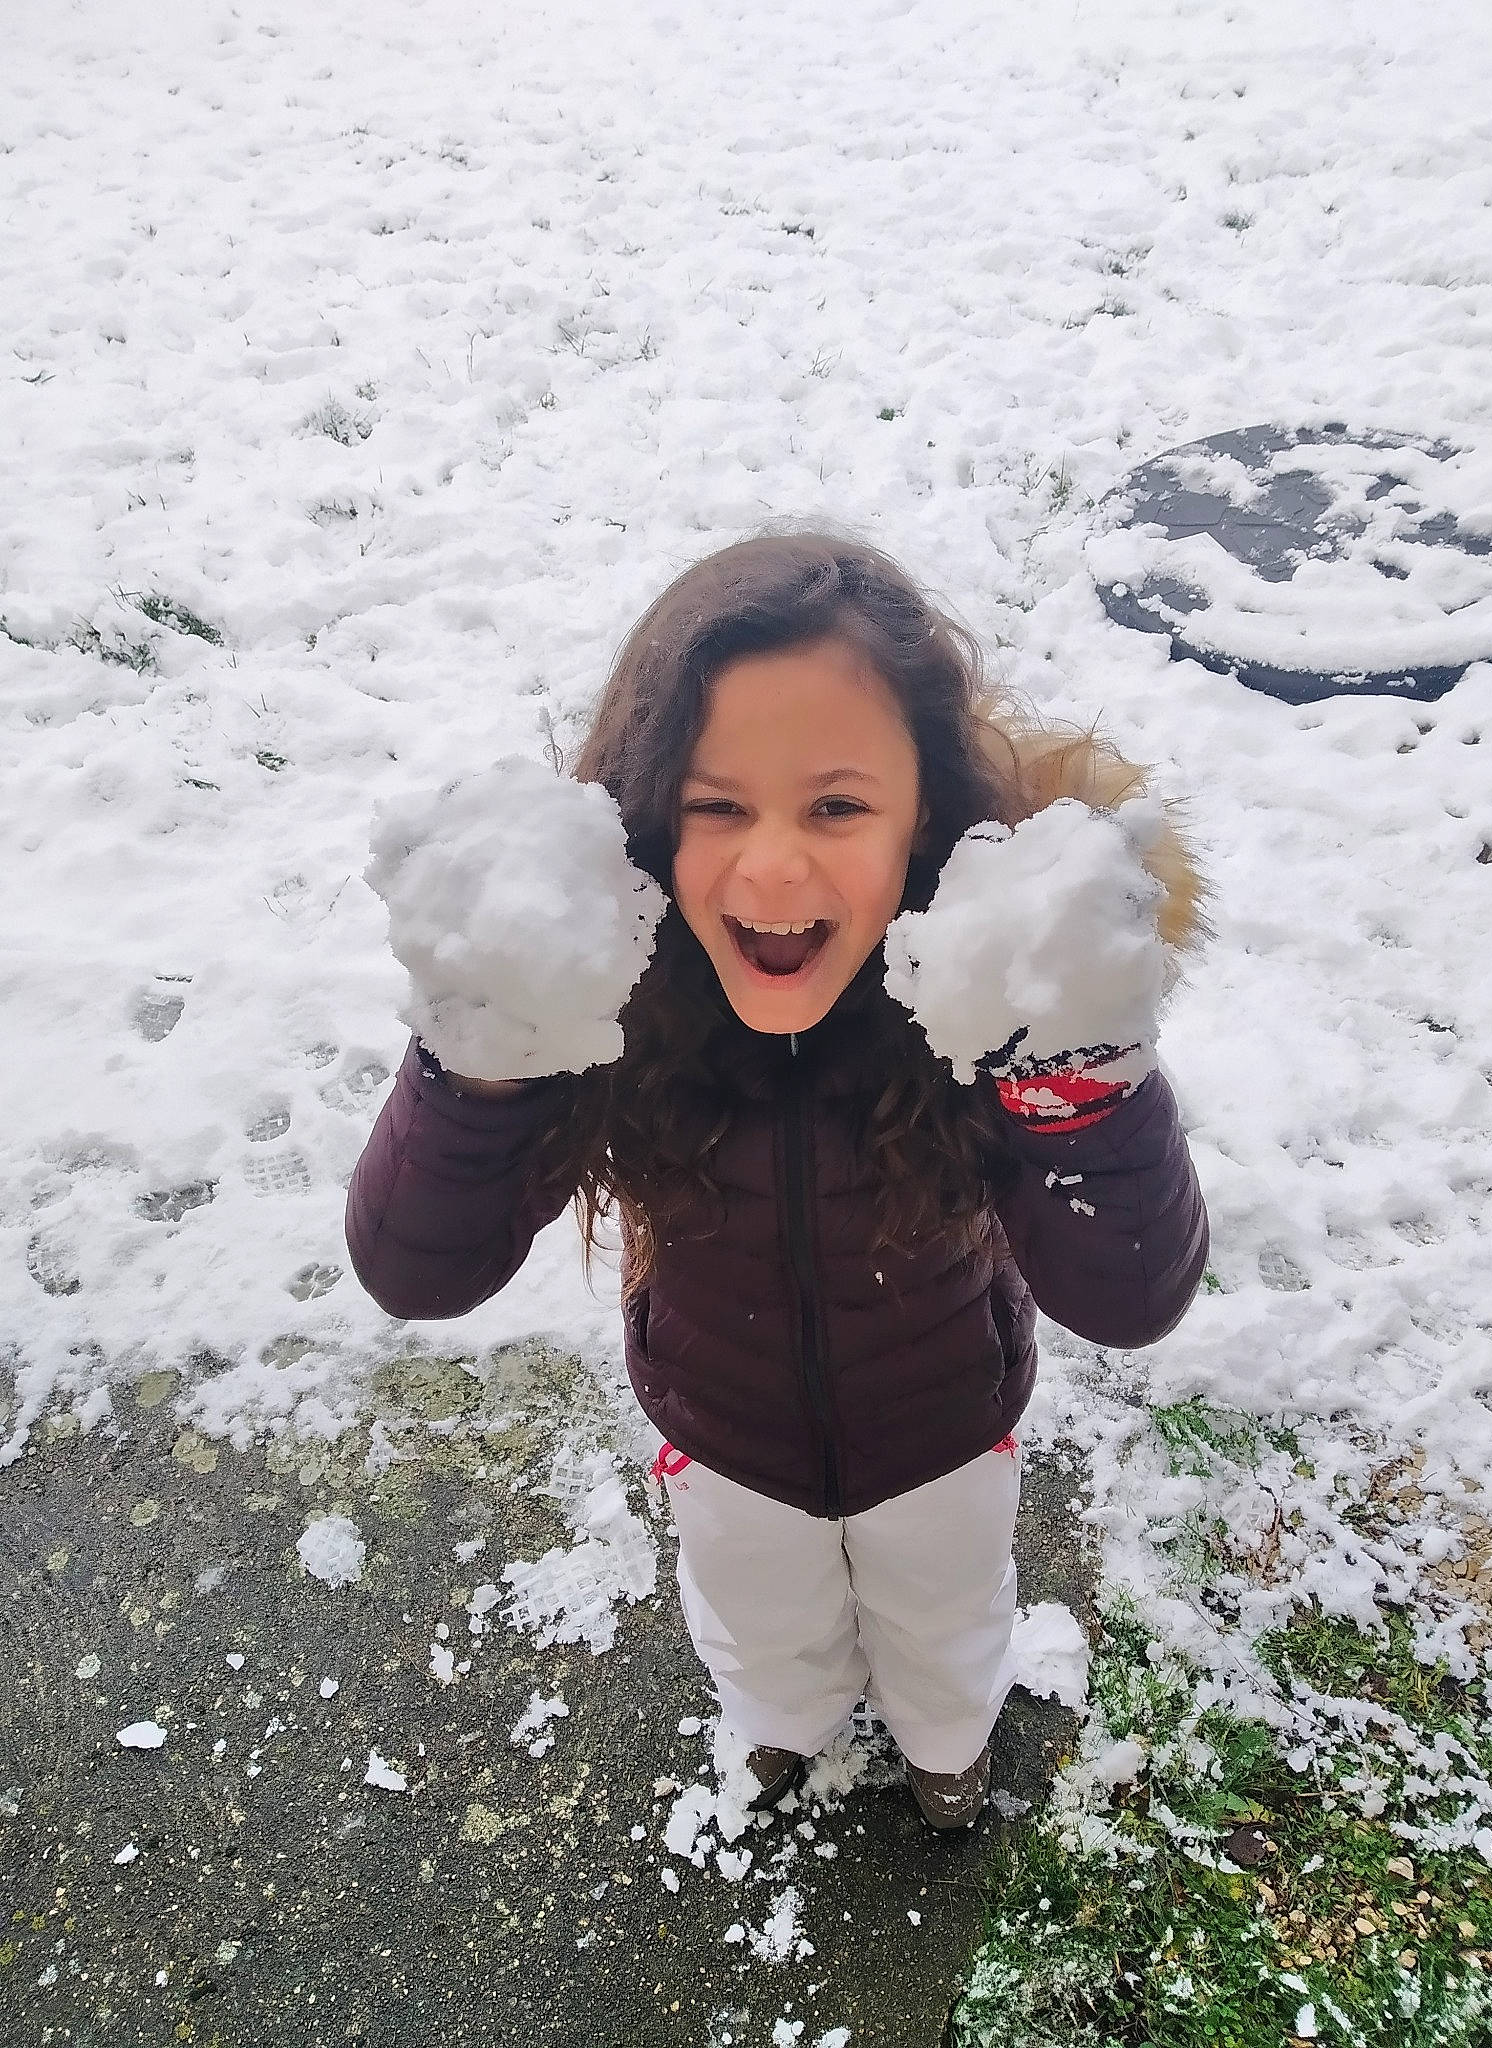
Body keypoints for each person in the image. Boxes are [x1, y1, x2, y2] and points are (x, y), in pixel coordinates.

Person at [346, 531, 1210, 1830]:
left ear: (927, 811)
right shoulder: (615, 996)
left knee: (945, 1614)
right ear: (646, 816)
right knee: (761, 1621)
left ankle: (946, 1751)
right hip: (726, 1431)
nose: (773, 869)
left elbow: (1130, 1292)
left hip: (942, 1427)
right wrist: (481, 1063)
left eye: (838, 806)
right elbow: (416, 1267)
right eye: (718, 805)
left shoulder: (980, 999)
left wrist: (1080, 1073)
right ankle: (783, 1730)